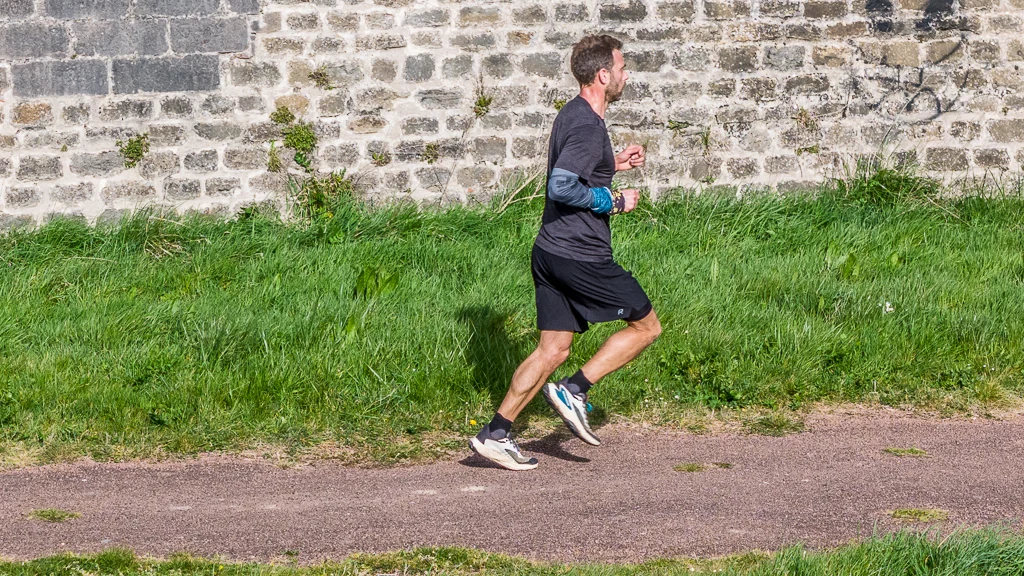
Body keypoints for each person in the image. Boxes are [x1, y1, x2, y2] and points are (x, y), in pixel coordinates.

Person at [470, 34, 662, 470]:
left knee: (552, 349)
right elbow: (560, 185)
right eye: (623, 66)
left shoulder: (572, 115)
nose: (626, 74)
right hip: (581, 255)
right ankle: (575, 389)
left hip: (549, 251)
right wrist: (614, 200)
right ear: (603, 74)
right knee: (647, 327)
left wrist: (611, 165)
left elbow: (575, 168)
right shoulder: (589, 126)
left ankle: (495, 433)